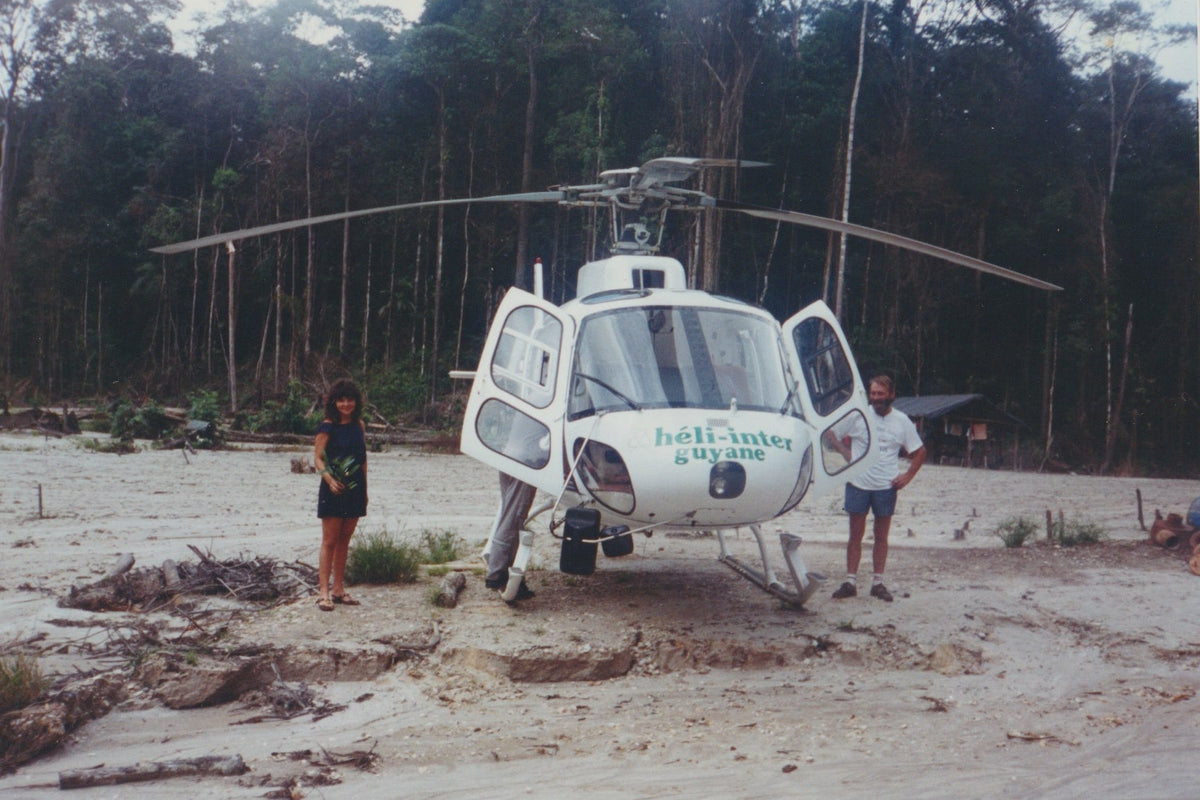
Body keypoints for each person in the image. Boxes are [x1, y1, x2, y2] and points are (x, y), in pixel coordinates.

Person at [832, 374, 925, 602]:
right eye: (873, 394)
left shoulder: (902, 421)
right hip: (858, 483)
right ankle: (850, 581)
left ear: (891, 395)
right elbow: (831, 432)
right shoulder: (858, 416)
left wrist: (908, 475)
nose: (876, 398)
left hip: (886, 486)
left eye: (881, 394)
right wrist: (846, 455)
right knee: (856, 535)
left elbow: (920, 451)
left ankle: (878, 583)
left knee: (881, 537)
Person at [313, 379, 369, 611]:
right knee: (329, 541)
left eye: (350, 400)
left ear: (356, 402)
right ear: (334, 403)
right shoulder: (327, 427)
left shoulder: (359, 426)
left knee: (345, 540)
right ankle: (323, 592)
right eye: (341, 400)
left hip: (355, 488)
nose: (346, 404)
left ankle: (338, 589)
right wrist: (329, 479)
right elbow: (317, 458)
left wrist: (365, 489)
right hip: (333, 487)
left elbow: (362, 459)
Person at [483, 472, 537, 601]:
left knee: (510, 513)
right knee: (514, 516)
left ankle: (507, 574)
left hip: (514, 458)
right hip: (525, 462)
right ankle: (498, 573)